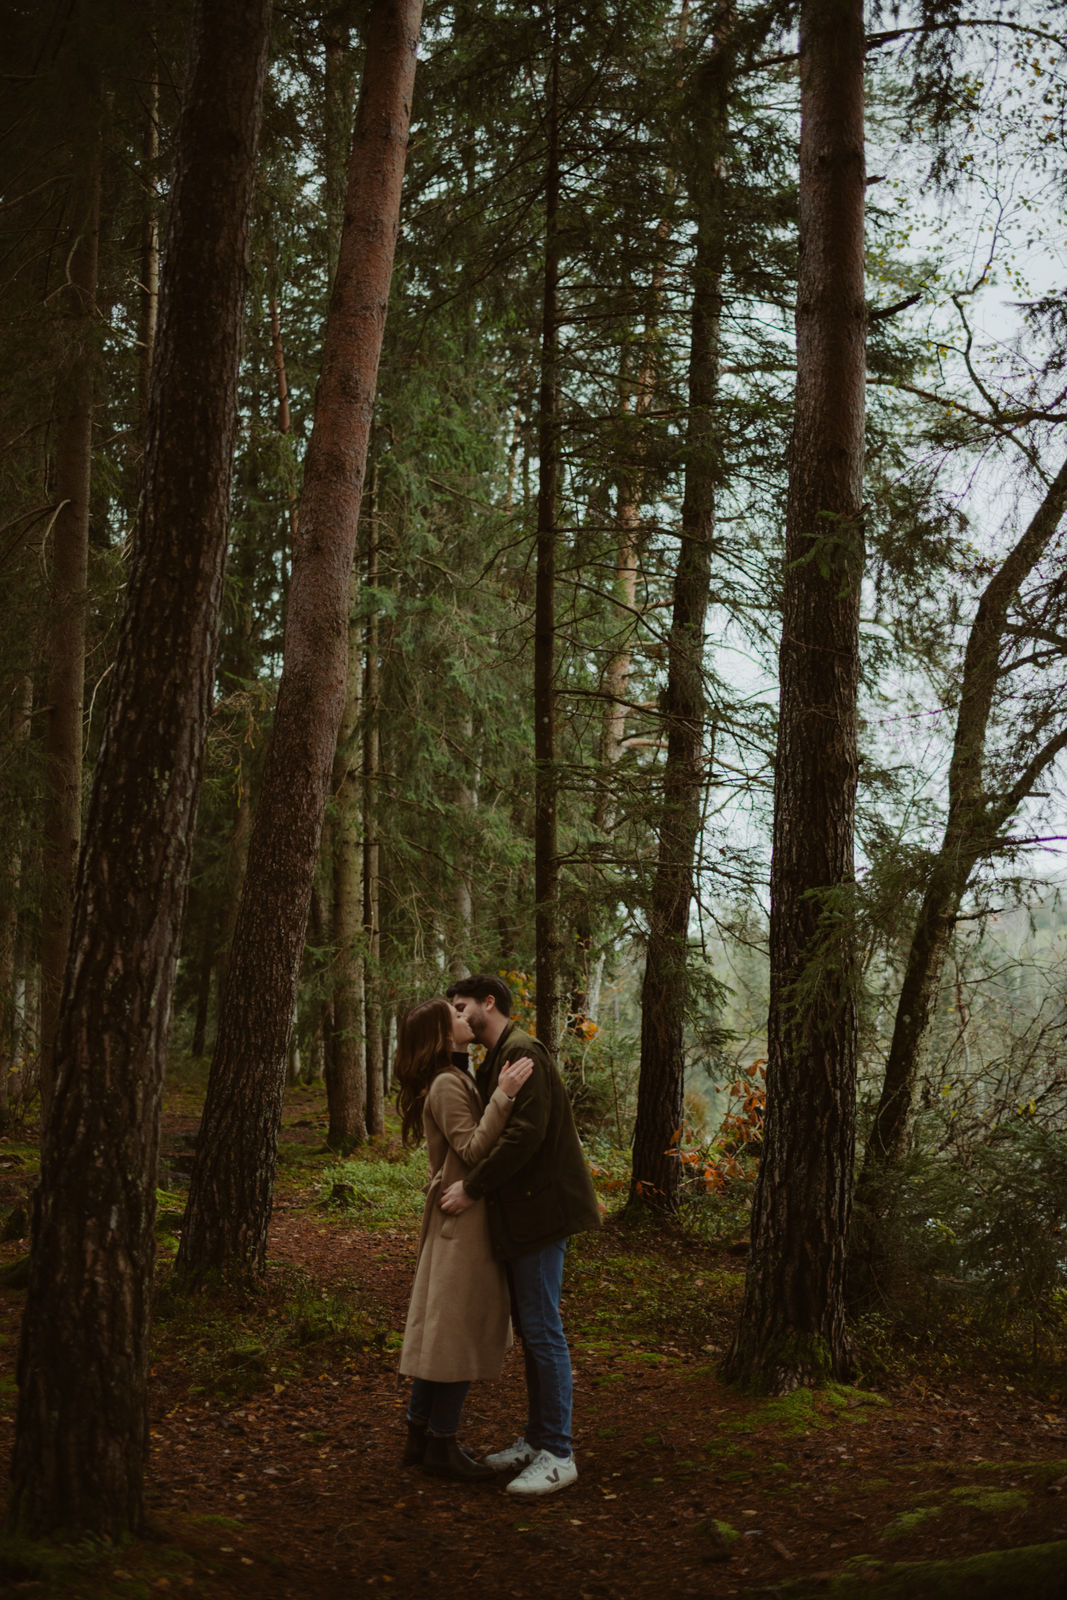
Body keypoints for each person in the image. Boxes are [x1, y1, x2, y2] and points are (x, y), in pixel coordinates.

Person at [440, 974, 601, 1498]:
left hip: (541, 1213)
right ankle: (538, 1439)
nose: (457, 1018)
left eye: (462, 1007)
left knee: (542, 1328)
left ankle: (558, 1452)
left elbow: (524, 1135)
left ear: (490, 1003)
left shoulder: (523, 1051)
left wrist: (473, 1189)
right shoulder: (498, 1056)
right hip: (523, 1214)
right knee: (534, 1329)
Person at [394, 995, 533, 1483]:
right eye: (454, 1015)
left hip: (457, 1220)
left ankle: (420, 1435)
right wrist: (505, 1095)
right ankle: (441, 1445)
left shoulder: (451, 1079)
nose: (464, 1017)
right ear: (439, 1033)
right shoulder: (448, 1085)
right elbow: (473, 1148)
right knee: (455, 1334)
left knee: (442, 1333)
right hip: (462, 1225)